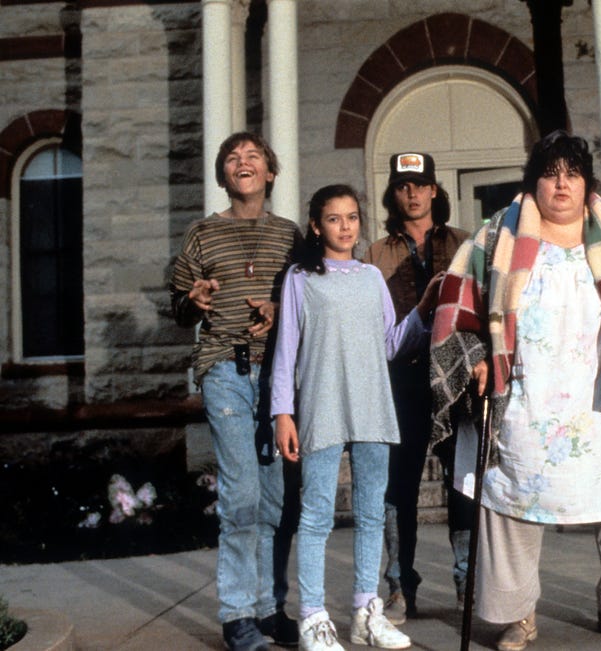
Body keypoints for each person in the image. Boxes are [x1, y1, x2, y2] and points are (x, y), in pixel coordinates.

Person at [430, 130, 601, 651]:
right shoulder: (494, 239)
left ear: (588, 183)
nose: (561, 184)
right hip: (528, 399)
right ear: (533, 182)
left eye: (572, 174)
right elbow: (455, 311)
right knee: (511, 503)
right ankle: (516, 616)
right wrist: (477, 358)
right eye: (549, 174)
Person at [271, 184, 443, 651]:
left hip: (372, 405)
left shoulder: (370, 277)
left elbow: (391, 343)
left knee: (371, 513)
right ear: (316, 225)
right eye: (334, 218)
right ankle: (312, 618)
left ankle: (367, 613)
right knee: (316, 516)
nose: (345, 227)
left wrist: (424, 309)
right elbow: (286, 351)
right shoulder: (300, 278)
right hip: (322, 405)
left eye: (351, 217)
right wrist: (282, 413)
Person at [170, 131, 302, 651]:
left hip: (278, 376)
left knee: (273, 499)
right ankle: (236, 615)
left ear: (270, 172)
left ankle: (268, 609)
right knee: (242, 493)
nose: (242, 162)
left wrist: (278, 308)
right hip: (224, 368)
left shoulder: (291, 235)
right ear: (223, 175)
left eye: (252, 156)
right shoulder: (202, 233)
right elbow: (179, 308)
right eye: (232, 158)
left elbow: (304, 299)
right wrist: (194, 299)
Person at [363, 152, 473, 620]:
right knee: (398, 484)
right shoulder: (376, 254)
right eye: (403, 186)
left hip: (456, 378)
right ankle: (399, 586)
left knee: (462, 480)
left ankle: (468, 582)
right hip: (402, 377)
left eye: (420, 185)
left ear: (434, 190)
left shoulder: (465, 243)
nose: (412, 194)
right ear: (394, 193)